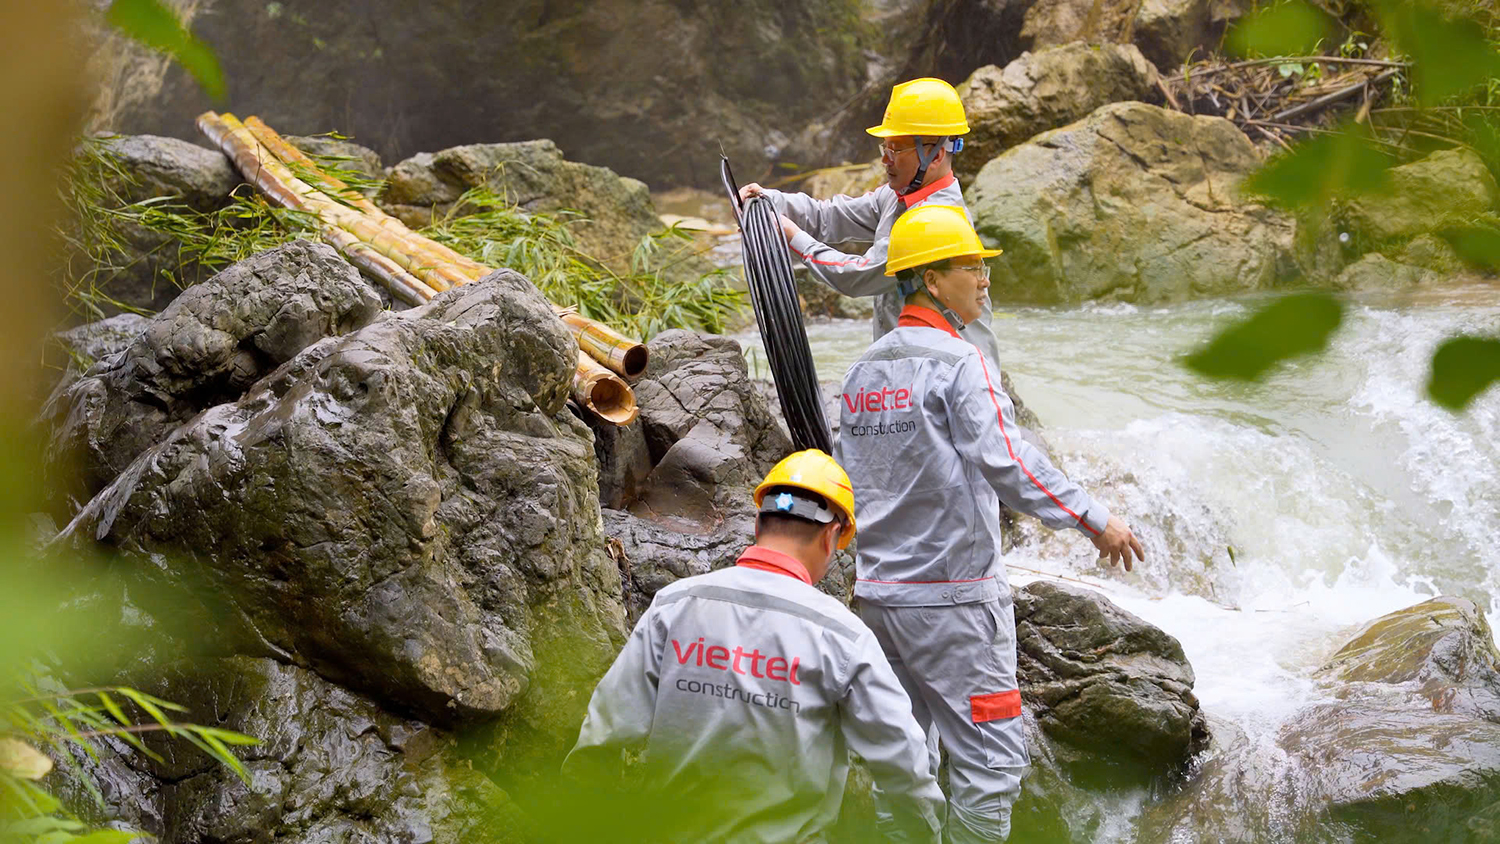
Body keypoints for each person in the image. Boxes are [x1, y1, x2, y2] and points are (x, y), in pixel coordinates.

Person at [834, 205, 1146, 842]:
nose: (984, 280)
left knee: (903, 766)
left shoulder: (861, 372)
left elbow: (848, 480)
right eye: (970, 266)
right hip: (954, 605)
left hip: (879, 600)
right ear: (928, 279)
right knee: (989, 765)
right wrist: (1093, 518)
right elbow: (1010, 464)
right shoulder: (960, 362)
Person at [565, 450, 946, 843]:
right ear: (832, 535)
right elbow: (906, 769)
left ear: (758, 520)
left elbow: (600, 741)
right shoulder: (843, 637)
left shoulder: (675, 606)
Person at [737, 77, 1004, 364]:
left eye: (896, 149)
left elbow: (856, 276)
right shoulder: (897, 197)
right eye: (884, 147)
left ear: (936, 155)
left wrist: (791, 236)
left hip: (954, 380)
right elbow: (829, 216)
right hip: (913, 370)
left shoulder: (937, 221)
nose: (885, 160)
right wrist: (770, 201)